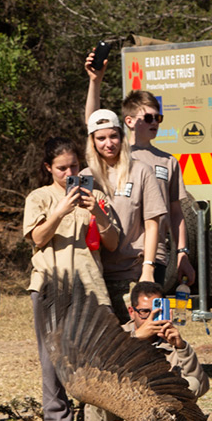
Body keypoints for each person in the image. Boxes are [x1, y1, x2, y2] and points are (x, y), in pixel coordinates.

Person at [24, 136, 119, 421]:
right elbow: (37, 237)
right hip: (51, 284)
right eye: (62, 168)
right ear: (48, 168)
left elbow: (112, 243)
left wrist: (99, 212)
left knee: (92, 356)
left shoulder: (96, 196)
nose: (69, 173)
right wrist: (61, 210)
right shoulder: (39, 197)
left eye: (74, 167)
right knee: (52, 356)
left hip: (90, 286)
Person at [84, 50, 195, 287]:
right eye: (149, 118)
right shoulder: (116, 155)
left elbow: (176, 212)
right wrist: (95, 82)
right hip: (111, 251)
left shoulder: (167, 162)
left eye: (158, 118)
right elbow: (93, 122)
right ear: (130, 121)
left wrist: (182, 251)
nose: (154, 122)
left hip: (150, 253)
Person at [85, 280, 208, 421]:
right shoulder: (114, 337)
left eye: (157, 312)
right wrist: (134, 339)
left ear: (167, 311)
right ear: (131, 312)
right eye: (144, 312)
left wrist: (182, 348)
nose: (151, 319)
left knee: (191, 384)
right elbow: (93, 374)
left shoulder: (170, 343)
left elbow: (199, 386)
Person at [81, 109, 166, 323]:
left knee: (145, 335)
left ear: (122, 136)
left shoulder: (140, 171)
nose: (108, 143)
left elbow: (152, 223)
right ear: (92, 141)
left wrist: (148, 268)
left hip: (133, 271)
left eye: (113, 136)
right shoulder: (84, 177)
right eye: (101, 138)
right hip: (97, 273)